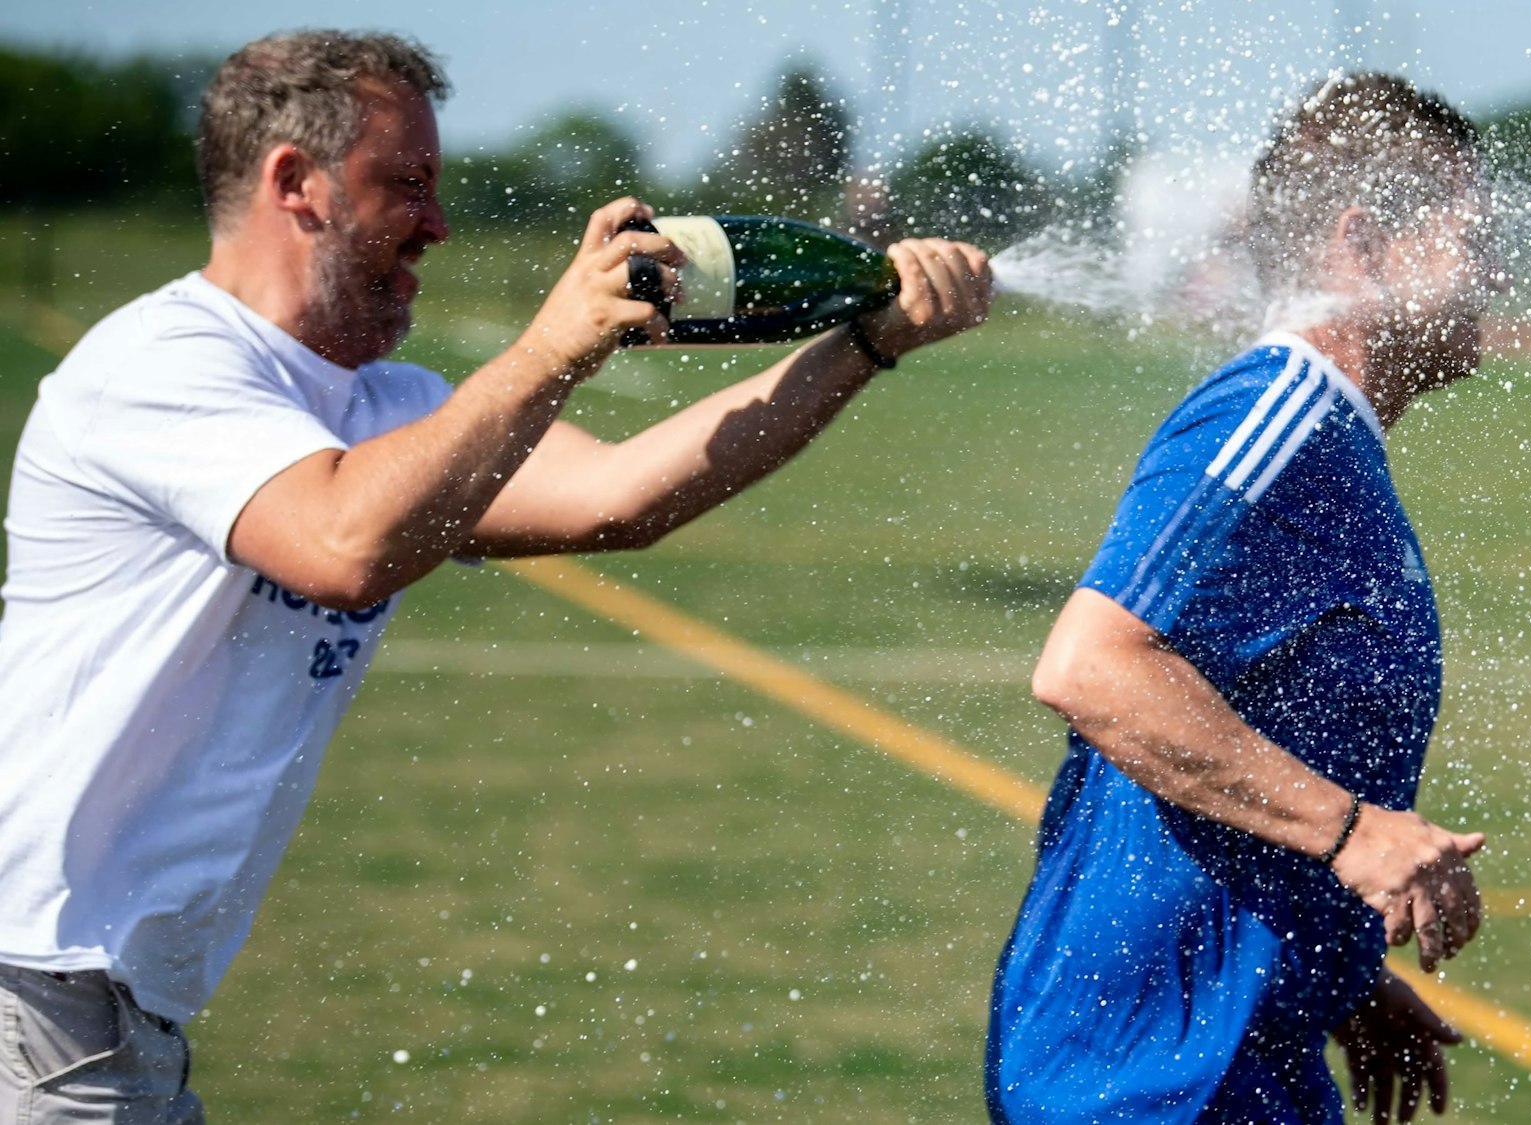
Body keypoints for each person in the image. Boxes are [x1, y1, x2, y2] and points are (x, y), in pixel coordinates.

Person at [0, 29, 991, 1124]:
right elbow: (343, 547)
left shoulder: (381, 405)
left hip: (103, 1012)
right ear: (294, 182)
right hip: (35, 993)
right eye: (406, 186)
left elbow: (616, 498)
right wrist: (551, 348)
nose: (436, 223)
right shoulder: (163, 365)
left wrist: (861, 346)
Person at [987, 72, 1503, 1125]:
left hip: (1241, 1066)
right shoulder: (1272, 416)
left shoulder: (1337, 445)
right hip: (1142, 1084)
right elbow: (1089, 667)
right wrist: (1353, 835)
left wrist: (1334, 972)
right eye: (1469, 239)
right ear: (1362, 247)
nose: (1495, 274)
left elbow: (1259, 721)